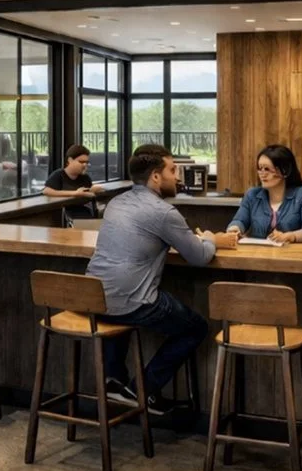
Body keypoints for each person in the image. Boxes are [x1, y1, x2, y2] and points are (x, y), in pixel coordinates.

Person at [87, 144, 237, 414]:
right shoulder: (163, 213)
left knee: (115, 304)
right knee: (196, 328)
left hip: (92, 298)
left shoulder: (115, 203)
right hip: (130, 302)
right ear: (156, 176)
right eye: (172, 169)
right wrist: (213, 239)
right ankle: (141, 389)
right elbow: (199, 256)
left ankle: (113, 380)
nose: (177, 176)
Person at [226, 144, 302, 243]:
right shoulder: (252, 195)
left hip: (292, 254)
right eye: (260, 168)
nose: (262, 174)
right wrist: (235, 228)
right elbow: (240, 220)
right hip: (257, 255)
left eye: (267, 169)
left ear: (285, 171)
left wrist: (291, 236)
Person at [43, 144, 100, 224]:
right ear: (70, 160)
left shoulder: (85, 177)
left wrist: (94, 190)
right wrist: (75, 193)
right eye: (81, 162)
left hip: (86, 217)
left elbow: (89, 191)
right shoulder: (58, 175)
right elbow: (47, 191)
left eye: (87, 162)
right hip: (66, 218)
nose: (85, 165)